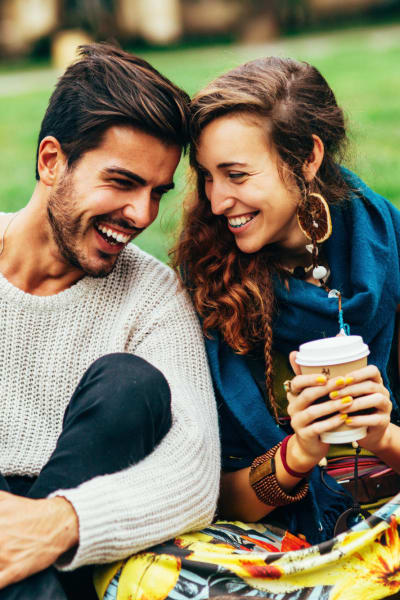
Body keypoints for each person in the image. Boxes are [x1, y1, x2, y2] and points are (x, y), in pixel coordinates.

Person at [95, 56, 400, 600]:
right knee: (143, 572)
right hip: (277, 541)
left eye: (236, 175)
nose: (217, 202)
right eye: (207, 178)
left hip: (390, 522)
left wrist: (382, 436)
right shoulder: (203, 285)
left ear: (306, 156)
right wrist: (296, 455)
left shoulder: (390, 247)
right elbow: (211, 497)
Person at [0, 43, 220, 599]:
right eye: (122, 182)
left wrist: (59, 523)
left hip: (73, 533)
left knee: (132, 382)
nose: (143, 215)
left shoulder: (150, 295)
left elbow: (195, 470)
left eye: (156, 194)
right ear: (52, 161)